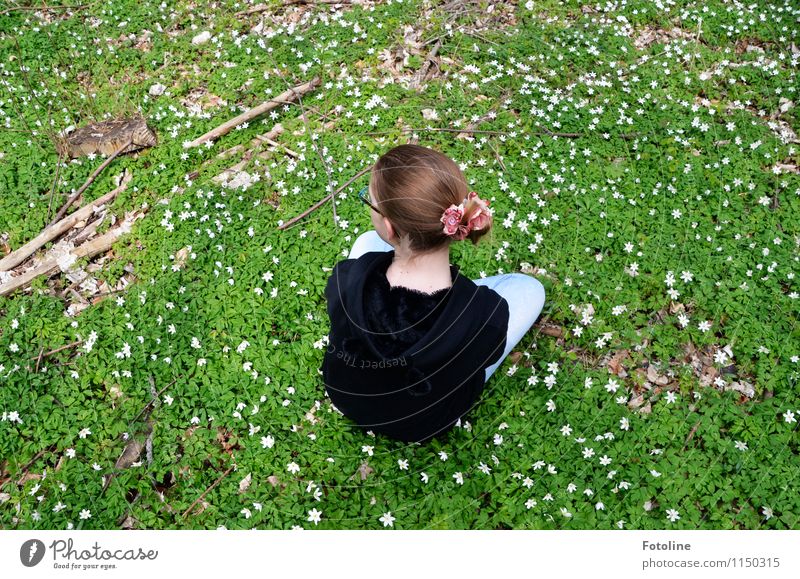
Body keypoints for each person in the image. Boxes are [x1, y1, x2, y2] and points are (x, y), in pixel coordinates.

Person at [321, 144, 546, 443]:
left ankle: (416, 268)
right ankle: (435, 280)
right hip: (422, 421)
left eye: (370, 202)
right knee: (529, 288)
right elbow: (484, 353)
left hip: (347, 394)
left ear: (389, 228)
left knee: (365, 242)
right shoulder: (484, 314)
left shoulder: (347, 279)